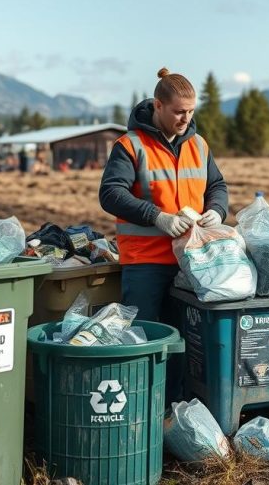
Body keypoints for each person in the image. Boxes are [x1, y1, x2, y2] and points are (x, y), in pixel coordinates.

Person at [99, 67, 229, 400]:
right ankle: (139, 407)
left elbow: (216, 185)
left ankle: (174, 408)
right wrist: (157, 217)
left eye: (191, 111)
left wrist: (218, 209)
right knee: (141, 338)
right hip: (146, 261)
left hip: (191, 261)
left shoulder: (198, 145)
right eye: (178, 112)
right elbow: (111, 193)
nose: (186, 118)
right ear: (158, 106)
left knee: (183, 340)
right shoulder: (130, 145)